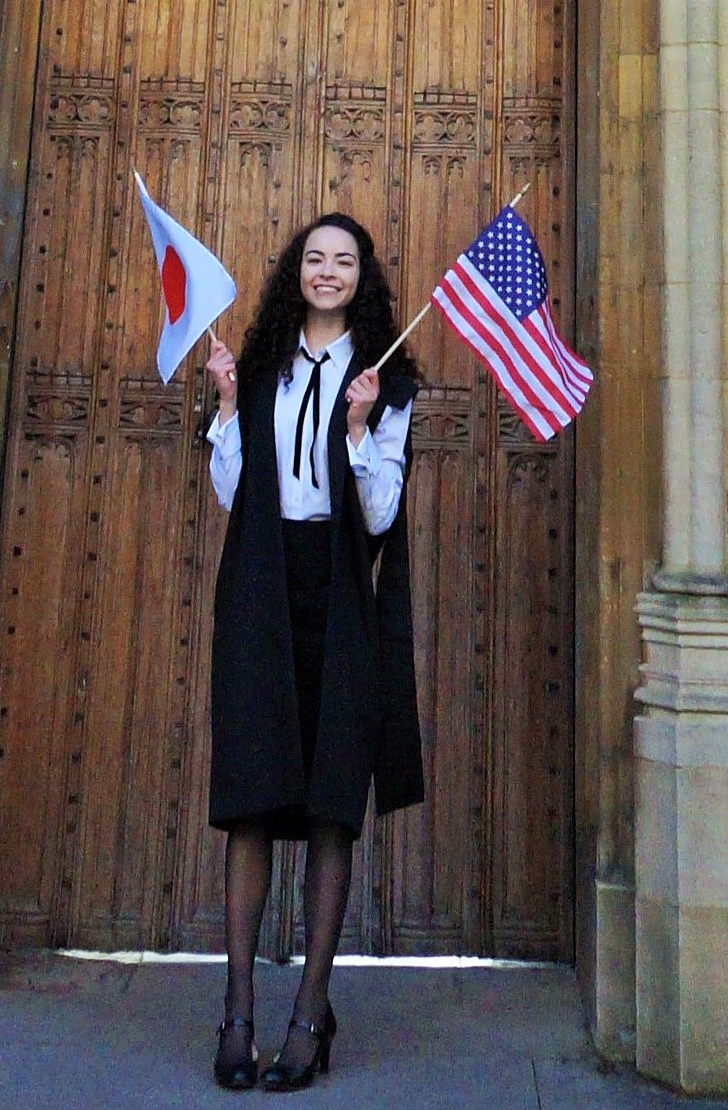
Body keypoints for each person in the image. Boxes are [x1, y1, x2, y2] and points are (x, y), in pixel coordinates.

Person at [204, 212, 423, 1092]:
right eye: (313, 258)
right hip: (260, 589)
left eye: (343, 261)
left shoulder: (389, 380)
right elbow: (233, 494)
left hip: (338, 595)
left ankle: (310, 1012)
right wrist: (224, 406)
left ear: (361, 277)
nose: (326, 271)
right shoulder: (258, 370)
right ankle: (239, 1009)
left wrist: (363, 427)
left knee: (335, 799)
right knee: (252, 797)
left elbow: (377, 516)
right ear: (295, 273)